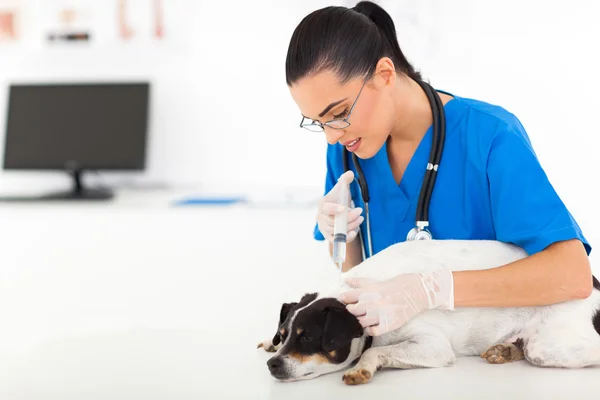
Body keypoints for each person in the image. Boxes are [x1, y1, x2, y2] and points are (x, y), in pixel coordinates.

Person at [285, 1, 593, 336]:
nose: (331, 136)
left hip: (497, 366)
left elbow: (571, 276)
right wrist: (341, 239)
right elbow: (359, 285)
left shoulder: (488, 135)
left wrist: (431, 290)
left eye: (339, 112)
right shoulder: (348, 150)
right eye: (318, 122)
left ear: (384, 75)